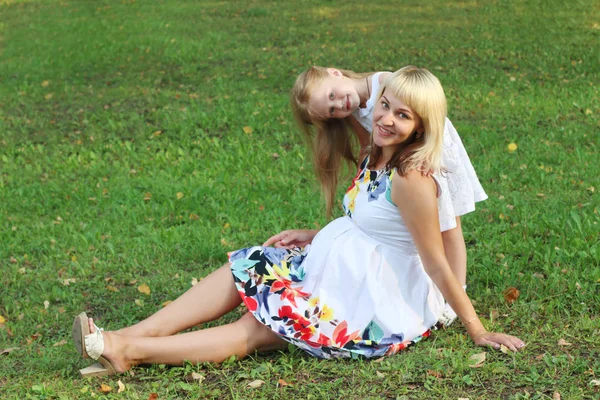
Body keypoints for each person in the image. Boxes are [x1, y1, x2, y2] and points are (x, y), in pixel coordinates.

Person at [72, 66, 524, 377]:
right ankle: (127, 336)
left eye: (402, 116)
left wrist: (476, 328)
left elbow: (436, 261)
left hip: (372, 295)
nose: (385, 118)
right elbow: (369, 220)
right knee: (248, 266)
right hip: (337, 266)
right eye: (385, 106)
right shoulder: (377, 151)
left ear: (422, 127)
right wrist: (316, 236)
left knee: (264, 326)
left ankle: (128, 351)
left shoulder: (412, 179)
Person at [290, 66, 488, 324]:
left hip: (431, 147)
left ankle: (456, 294)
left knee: (449, 225)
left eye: (331, 97)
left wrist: (424, 156)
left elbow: (419, 106)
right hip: (397, 152)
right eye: (332, 111)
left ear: (334, 72)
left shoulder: (385, 82)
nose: (340, 105)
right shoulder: (351, 110)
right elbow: (368, 143)